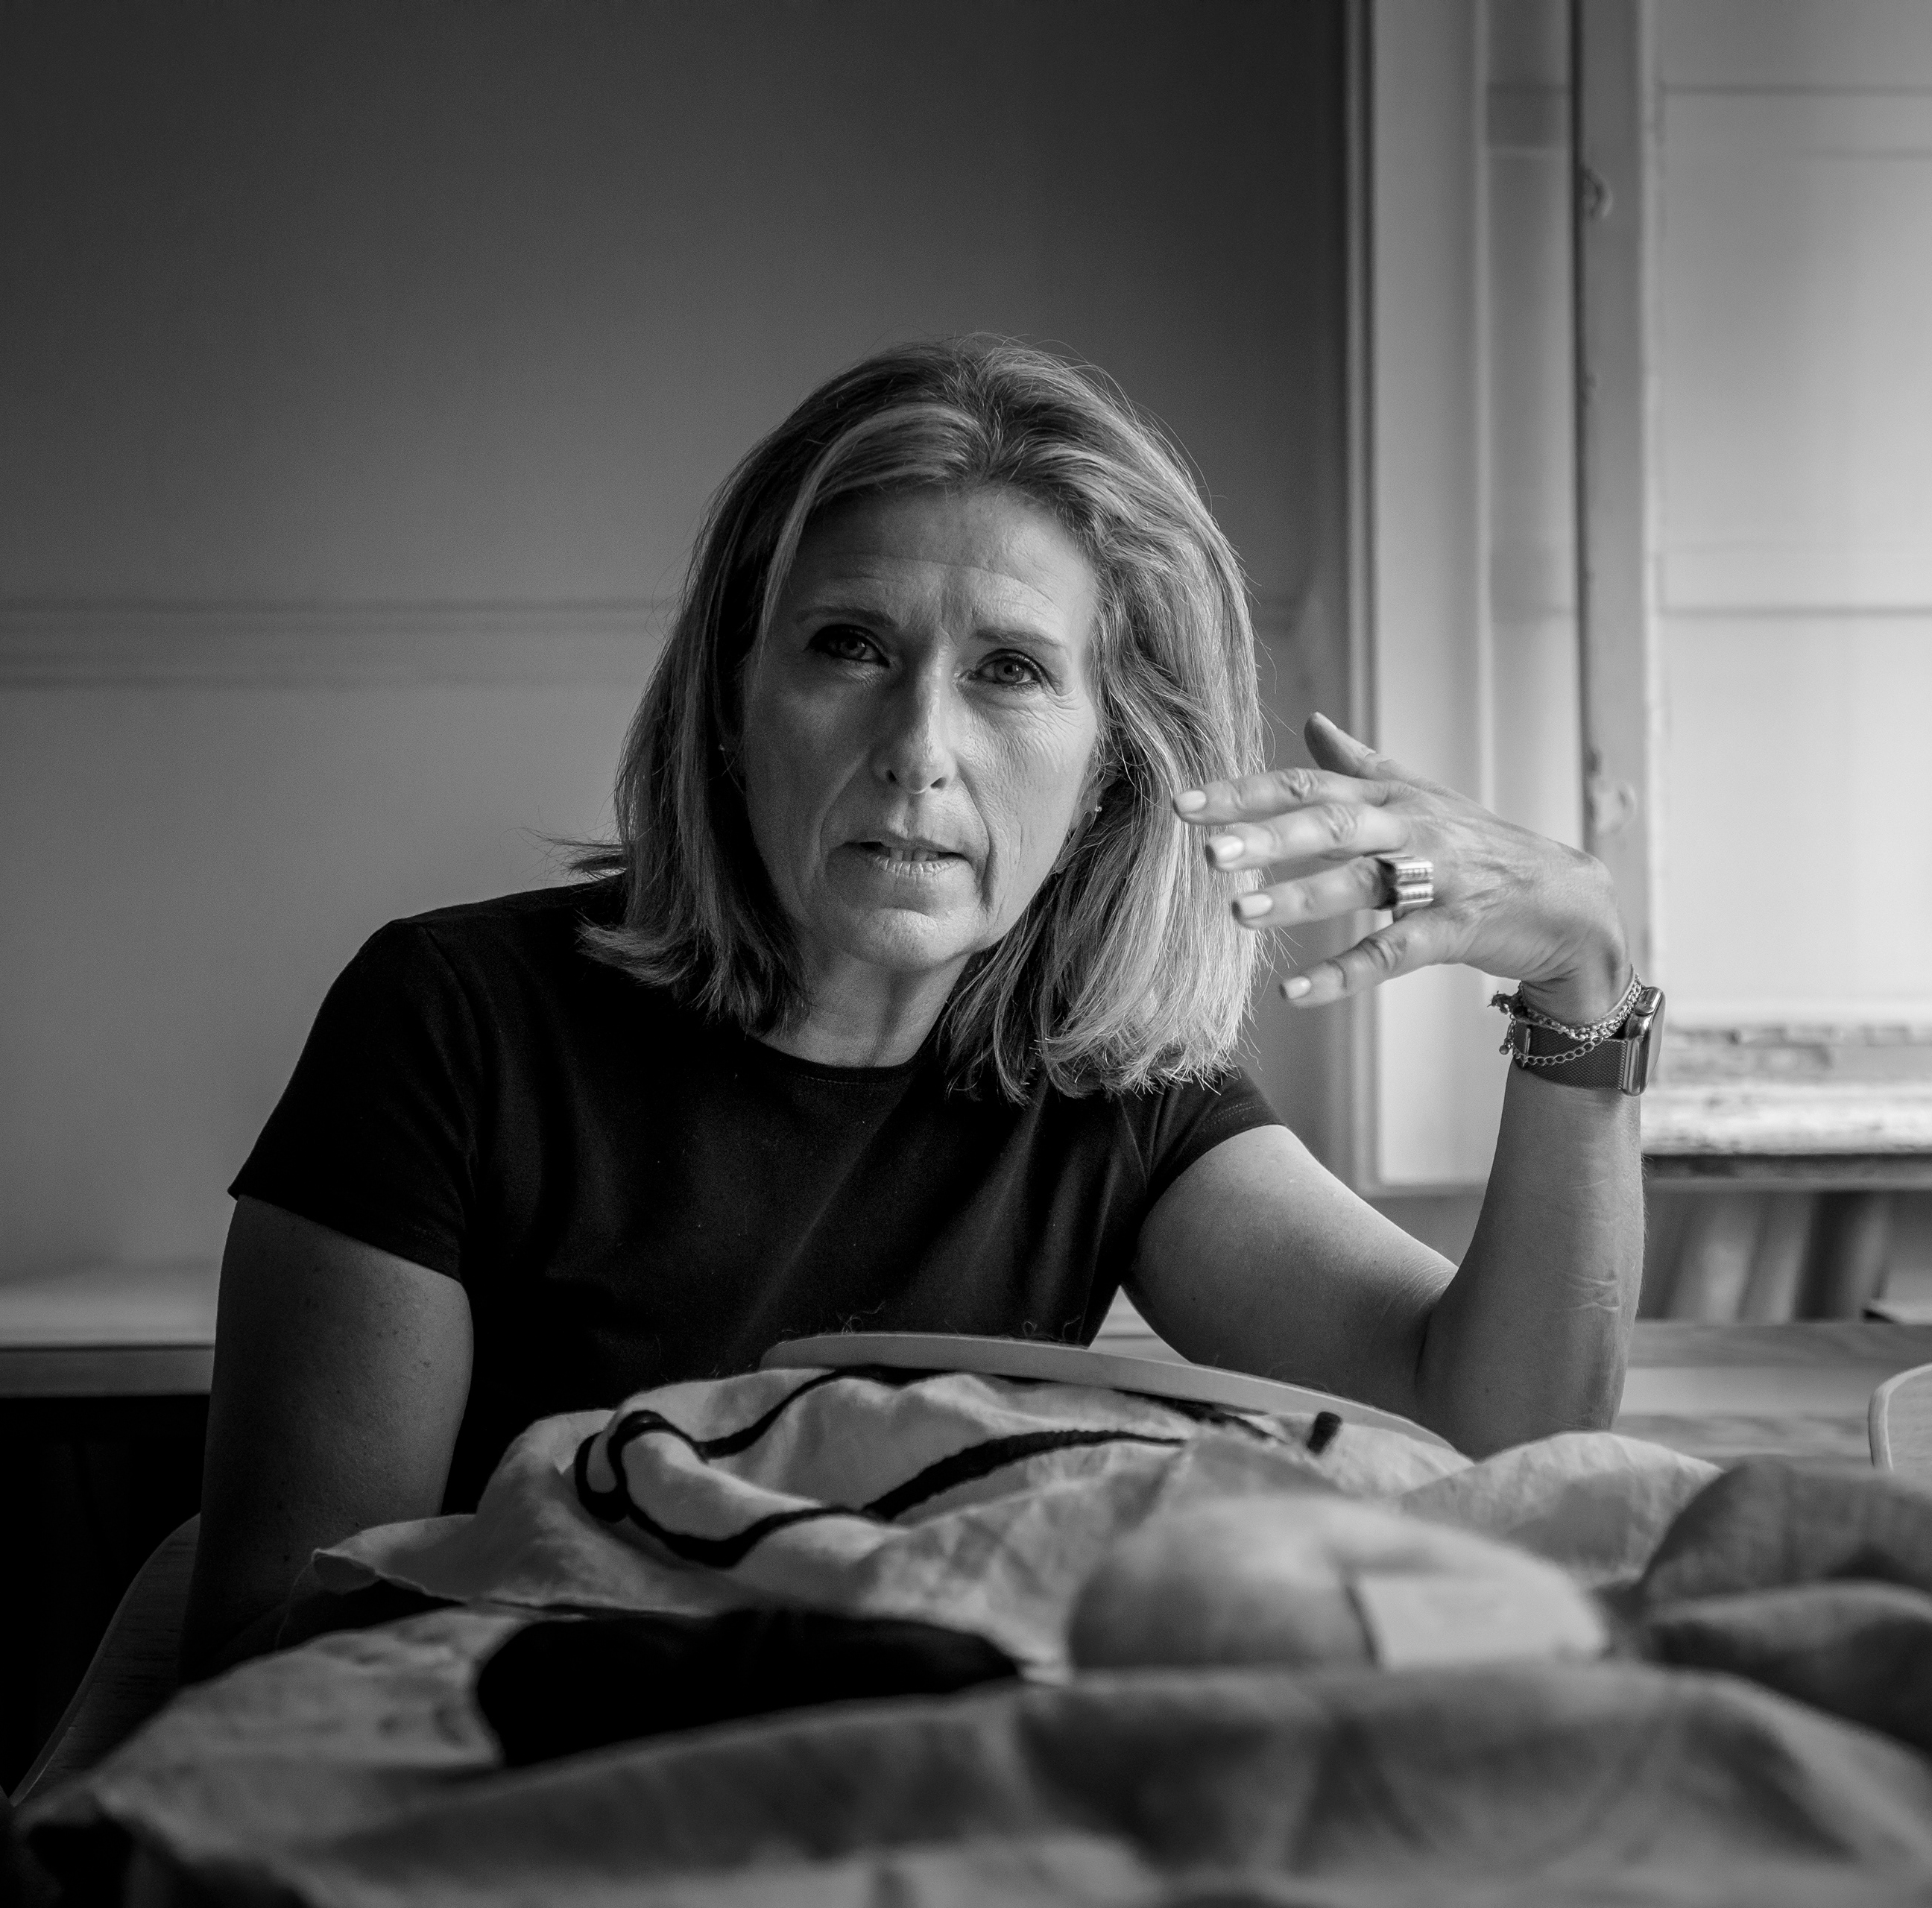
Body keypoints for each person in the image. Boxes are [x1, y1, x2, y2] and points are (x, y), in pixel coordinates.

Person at [183, 339, 1647, 1675]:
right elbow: (284, 1637)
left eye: (1009, 671)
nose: (918, 748)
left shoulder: (1109, 1083)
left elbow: (1492, 1426)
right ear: (732, 703)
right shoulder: (446, 1022)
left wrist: (1582, 974)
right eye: (850, 646)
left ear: (1109, 773)